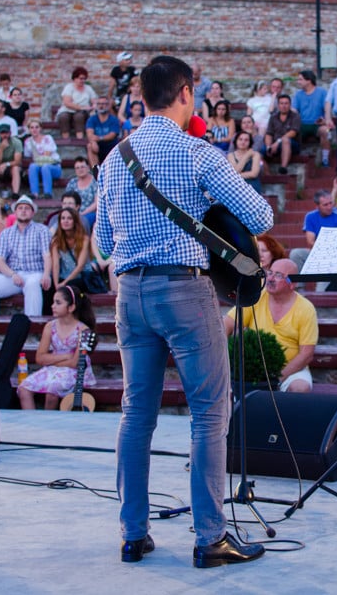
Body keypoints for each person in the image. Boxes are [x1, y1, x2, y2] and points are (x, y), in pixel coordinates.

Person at [94, 55, 272, 567]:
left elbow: (104, 241)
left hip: (130, 293)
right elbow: (259, 216)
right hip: (184, 290)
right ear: (187, 94)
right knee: (210, 412)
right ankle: (211, 537)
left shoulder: (114, 158)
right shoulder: (198, 153)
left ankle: (133, 534)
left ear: (141, 98)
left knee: (136, 413)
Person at [223, 258, 318, 392]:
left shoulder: (306, 308)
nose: (271, 278)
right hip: (254, 368)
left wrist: (277, 378)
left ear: (293, 283)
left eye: (278, 275)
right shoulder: (257, 297)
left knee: (300, 388)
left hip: (290, 370)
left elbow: (306, 354)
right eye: (270, 272)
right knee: (223, 390)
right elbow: (226, 324)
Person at [18, 285, 97, 410]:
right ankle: (32, 422)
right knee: (24, 388)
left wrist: (51, 360)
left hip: (75, 371)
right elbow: (40, 358)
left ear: (71, 307)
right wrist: (64, 356)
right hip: (54, 368)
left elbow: (74, 363)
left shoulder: (82, 330)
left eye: (58, 303)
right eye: (53, 302)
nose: (52, 306)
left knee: (52, 391)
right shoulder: (50, 326)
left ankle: (49, 425)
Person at [0, 195, 51, 318]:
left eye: (27, 208)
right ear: (15, 212)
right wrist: (12, 274)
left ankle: (32, 325)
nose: (23, 211)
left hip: (35, 272)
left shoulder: (42, 230)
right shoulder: (6, 234)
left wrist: (46, 274)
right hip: (13, 274)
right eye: (20, 208)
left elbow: (47, 255)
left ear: (33, 213)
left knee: (32, 284)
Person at [289, 189, 337, 275]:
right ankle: (299, 287)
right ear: (317, 206)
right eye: (325, 205)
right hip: (318, 251)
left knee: (321, 287)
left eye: (331, 203)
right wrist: (323, 250)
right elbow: (310, 242)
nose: (329, 207)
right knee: (296, 253)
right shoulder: (310, 216)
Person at [293, 70, 331, 167]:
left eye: (300, 79)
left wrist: (325, 120)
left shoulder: (322, 92)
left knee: (325, 131)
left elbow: (327, 109)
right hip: (302, 124)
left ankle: (325, 159)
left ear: (308, 80)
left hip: (317, 124)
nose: (298, 82)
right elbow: (294, 109)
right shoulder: (298, 94)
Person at [23, 119, 62, 200]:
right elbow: (28, 157)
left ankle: (48, 193)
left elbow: (47, 155)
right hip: (38, 168)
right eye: (32, 127)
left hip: (53, 166)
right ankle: (34, 193)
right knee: (32, 166)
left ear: (40, 128)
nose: (34, 129)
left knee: (45, 167)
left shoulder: (48, 138)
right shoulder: (28, 142)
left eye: (37, 127)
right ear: (29, 129)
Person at [264, 94, 301, 175]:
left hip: (292, 144)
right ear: (278, 105)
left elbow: (293, 132)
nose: (284, 106)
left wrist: (278, 142)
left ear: (290, 105)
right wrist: (268, 146)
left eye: (286, 103)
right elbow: (269, 133)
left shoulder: (295, 116)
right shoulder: (273, 117)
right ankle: (267, 174)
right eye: (281, 103)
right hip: (275, 144)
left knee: (285, 140)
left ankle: (283, 167)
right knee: (259, 151)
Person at [56, 67, 97, 139]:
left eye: (84, 79)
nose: (83, 80)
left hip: (83, 112)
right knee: (63, 117)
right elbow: (67, 103)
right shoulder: (69, 87)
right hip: (68, 110)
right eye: (81, 78)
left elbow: (94, 100)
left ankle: (79, 138)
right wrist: (81, 107)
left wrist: (94, 106)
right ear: (75, 78)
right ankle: (65, 139)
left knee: (79, 117)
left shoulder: (88, 88)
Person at [0, 123, 24, 198]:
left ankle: (15, 193)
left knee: (15, 168)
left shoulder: (17, 142)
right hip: (0, 166)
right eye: (2, 133)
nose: (4, 135)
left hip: (12, 166)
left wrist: (6, 164)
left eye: (6, 133)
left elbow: (17, 161)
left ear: (10, 133)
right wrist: (1, 149)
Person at [86, 96, 121, 167]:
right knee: (90, 146)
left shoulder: (114, 120)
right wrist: (93, 142)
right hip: (98, 145)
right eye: (99, 104)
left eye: (103, 104)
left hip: (110, 145)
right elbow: (89, 134)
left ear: (108, 106)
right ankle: (95, 171)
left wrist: (99, 138)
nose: (101, 106)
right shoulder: (92, 119)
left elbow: (112, 135)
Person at [66, 157, 97, 228]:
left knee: (82, 221)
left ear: (88, 168)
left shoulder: (95, 182)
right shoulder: (72, 183)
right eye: (77, 168)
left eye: (82, 167)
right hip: (73, 212)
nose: (80, 170)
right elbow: (67, 200)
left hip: (91, 213)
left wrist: (82, 213)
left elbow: (96, 203)